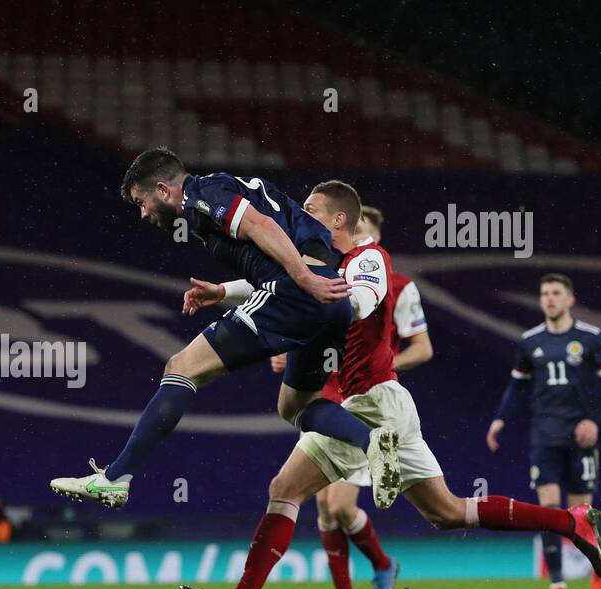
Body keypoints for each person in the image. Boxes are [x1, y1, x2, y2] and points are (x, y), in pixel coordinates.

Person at [177, 184, 601, 589]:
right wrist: (224, 291)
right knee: (445, 512)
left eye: (310, 209)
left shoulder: (369, 260)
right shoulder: (323, 264)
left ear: (339, 219)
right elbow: (284, 281)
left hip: (372, 403)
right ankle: (570, 521)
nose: (300, 215)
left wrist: (307, 323)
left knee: (286, 488)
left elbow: (358, 300)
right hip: (377, 401)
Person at [50, 148, 403, 512]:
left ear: (163, 189)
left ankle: (115, 479)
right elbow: (296, 244)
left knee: (181, 368)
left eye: (142, 202)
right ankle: (372, 441)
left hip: (300, 292)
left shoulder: (201, 194)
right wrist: (224, 291)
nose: (143, 214)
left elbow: (260, 227)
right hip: (329, 302)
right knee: (295, 406)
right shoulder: (226, 191)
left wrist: (304, 279)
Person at [270, 205, 434, 589]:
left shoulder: (396, 284)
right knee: (324, 507)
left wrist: (384, 362)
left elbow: (424, 348)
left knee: (340, 506)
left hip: (365, 398)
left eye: (365, 232)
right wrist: (289, 356)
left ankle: (382, 566)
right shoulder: (329, 275)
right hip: (326, 394)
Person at [487, 274, 601, 589]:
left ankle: (600, 567)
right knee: (548, 509)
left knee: (581, 513)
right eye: (544, 293)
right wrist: (500, 420)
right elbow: (517, 384)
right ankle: (557, 585)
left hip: (580, 436)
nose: (549, 298)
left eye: (556, 293)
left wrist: (592, 419)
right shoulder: (530, 341)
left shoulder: (591, 338)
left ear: (570, 299)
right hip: (544, 436)